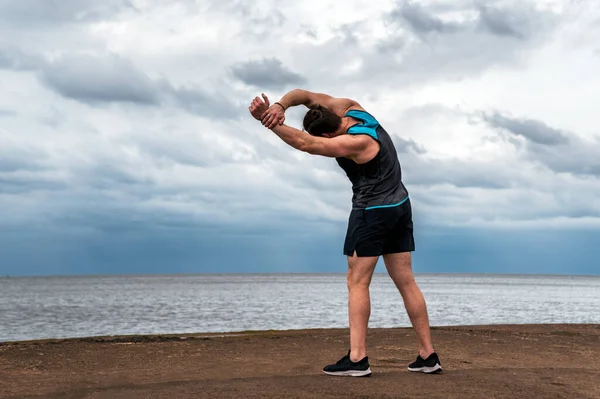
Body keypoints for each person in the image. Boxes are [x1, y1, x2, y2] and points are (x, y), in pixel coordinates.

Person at [248, 89, 442, 377]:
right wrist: (279, 105)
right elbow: (303, 94)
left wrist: (267, 119)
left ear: (328, 136)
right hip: (400, 206)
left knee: (357, 281)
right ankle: (428, 355)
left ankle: (357, 358)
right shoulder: (352, 108)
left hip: (371, 212)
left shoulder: (356, 143)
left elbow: (304, 143)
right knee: (406, 280)